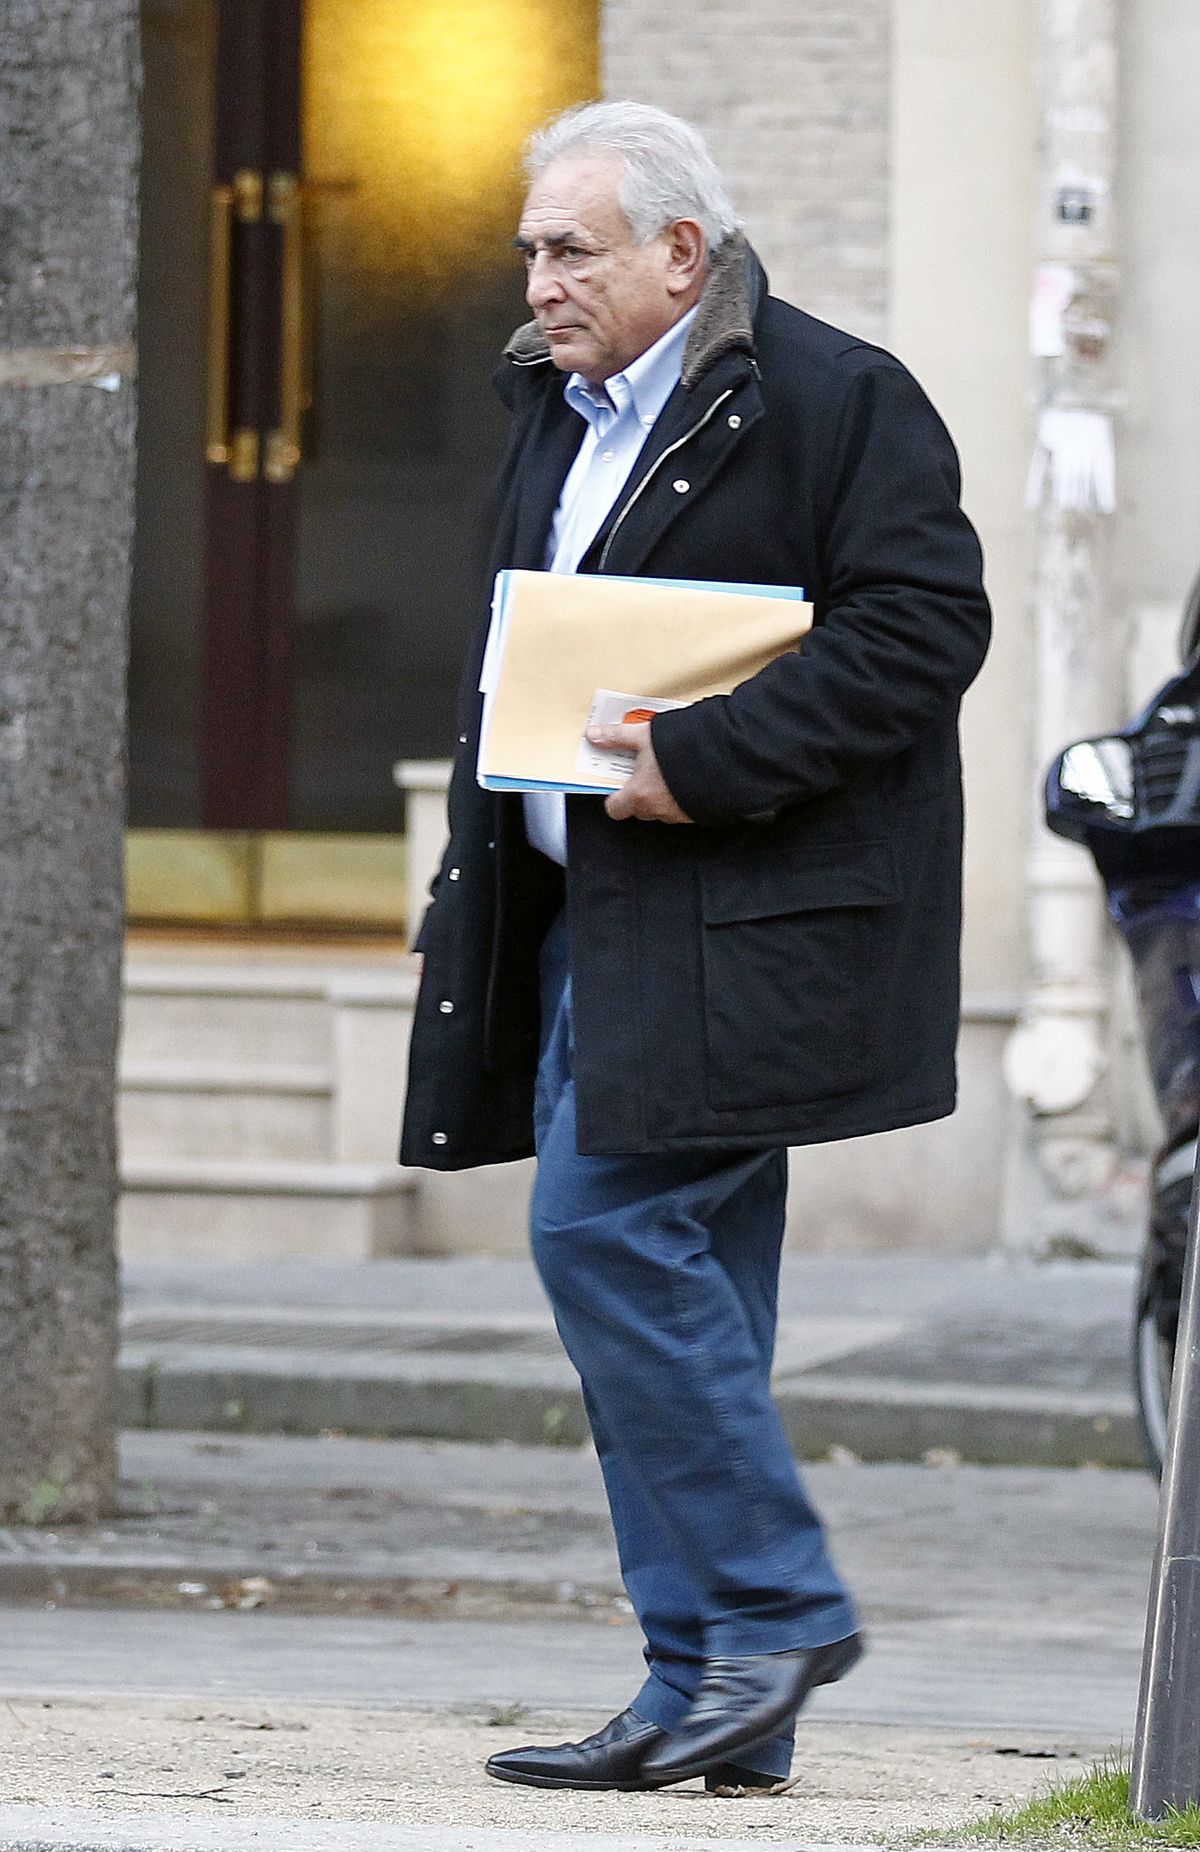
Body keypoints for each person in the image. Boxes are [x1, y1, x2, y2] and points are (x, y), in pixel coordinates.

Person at [401, 100, 991, 1794]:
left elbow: (925, 628)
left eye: (571, 248)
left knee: (602, 1236)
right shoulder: (556, 410)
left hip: (753, 927)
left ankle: (775, 1608)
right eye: (529, 248)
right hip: (590, 920)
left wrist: (705, 757)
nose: (539, 279)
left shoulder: (834, 394)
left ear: (684, 250)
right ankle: (710, 1690)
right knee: (685, 1297)